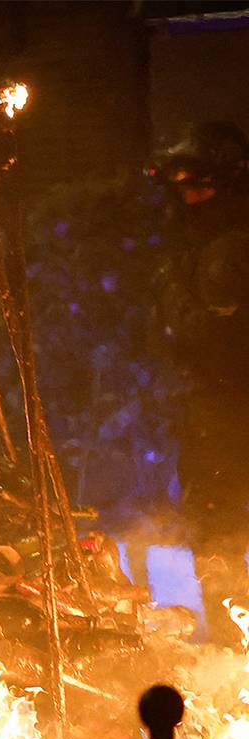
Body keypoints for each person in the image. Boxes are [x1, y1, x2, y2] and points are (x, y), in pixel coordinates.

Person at [150, 121, 249, 645]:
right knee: (213, 533)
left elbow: (209, 329)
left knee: (219, 525)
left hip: (230, 407)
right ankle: (232, 650)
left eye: (200, 187)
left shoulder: (231, 246)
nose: (188, 198)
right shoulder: (194, 245)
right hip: (206, 411)